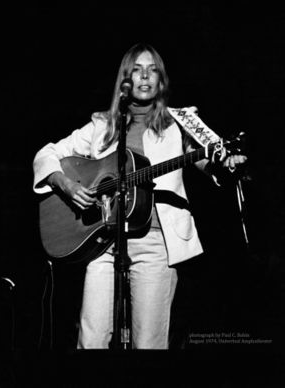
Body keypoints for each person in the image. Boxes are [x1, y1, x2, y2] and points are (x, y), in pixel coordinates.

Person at [33, 43, 247, 349]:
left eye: (153, 69)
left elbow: (209, 160)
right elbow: (47, 154)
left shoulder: (182, 121)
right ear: (125, 79)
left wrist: (226, 162)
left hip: (155, 243)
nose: (145, 75)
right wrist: (65, 184)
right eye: (137, 68)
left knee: (148, 343)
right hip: (102, 242)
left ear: (161, 80)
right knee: (91, 338)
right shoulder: (102, 125)